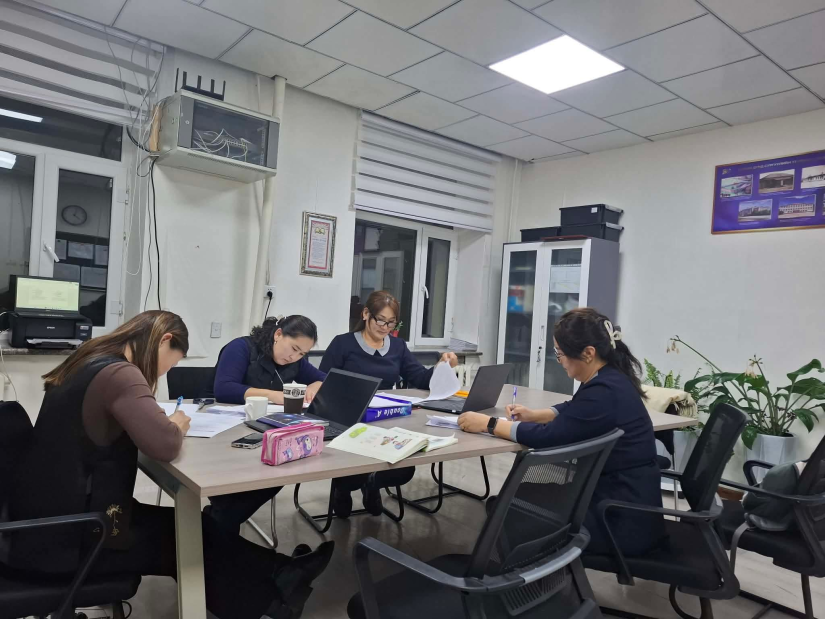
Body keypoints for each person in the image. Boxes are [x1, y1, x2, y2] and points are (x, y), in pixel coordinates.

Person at [7, 310, 333, 619]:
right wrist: (175, 424)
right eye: (171, 363)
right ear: (164, 340)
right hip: (67, 539)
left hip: (49, 519)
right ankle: (273, 598)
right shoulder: (120, 373)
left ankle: (281, 576)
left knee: (197, 528)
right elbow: (164, 445)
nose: (164, 372)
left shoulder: (89, 358)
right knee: (187, 541)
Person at [456, 307, 665, 557]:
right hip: (624, 502)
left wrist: (489, 424)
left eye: (560, 354)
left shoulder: (603, 391)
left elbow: (548, 437)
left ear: (588, 353)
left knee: (506, 505)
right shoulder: (610, 378)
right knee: (518, 495)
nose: (560, 360)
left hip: (619, 519)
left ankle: (521, 573)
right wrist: (535, 414)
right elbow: (576, 408)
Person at [320, 291, 458, 518]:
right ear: (366, 314)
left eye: (391, 322)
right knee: (352, 465)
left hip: (387, 416)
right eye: (381, 320)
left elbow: (421, 379)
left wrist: (442, 365)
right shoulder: (343, 344)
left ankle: (372, 484)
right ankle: (342, 489)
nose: (385, 327)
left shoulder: (398, 347)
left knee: (405, 467)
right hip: (350, 417)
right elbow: (324, 382)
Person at [209, 315, 326, 534]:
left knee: (282, 467)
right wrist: (273, 395)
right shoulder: (241, 348)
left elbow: (324, 378)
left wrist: (316, 384)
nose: (294, 357)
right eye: (294, 348)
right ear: (278, 334)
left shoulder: (295, 360)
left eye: (302, 354)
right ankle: (220, 523)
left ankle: (218, 522)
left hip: (262, 431)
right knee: (265, 472)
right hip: (222, 430)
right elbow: (224, 389)